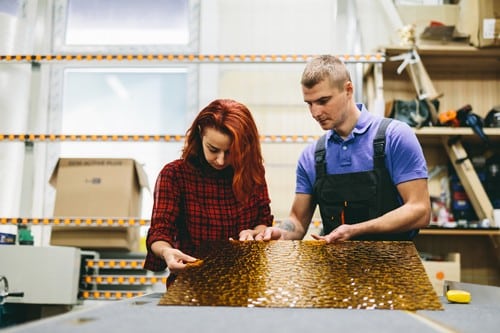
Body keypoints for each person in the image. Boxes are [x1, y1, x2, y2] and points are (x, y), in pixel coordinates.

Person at [257, 55, 431, 243]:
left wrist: (355, 230)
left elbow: (420, 210)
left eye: (323, 101)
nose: (315, 112)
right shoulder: (312, 157)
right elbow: (297, 221)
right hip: (334, 270)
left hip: (393, 268)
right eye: (310, 103)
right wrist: (279, 233)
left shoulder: (394, 137)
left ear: (348, 90)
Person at [144, 99, 273, 285]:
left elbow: (263, 220)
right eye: (213, 149)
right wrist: (166, 252)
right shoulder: (175, 175)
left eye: (230, 152)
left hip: (246, 285)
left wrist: (256, 234)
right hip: (192, 285)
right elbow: (160, 231)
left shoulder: (252, 172)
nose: (220, 160)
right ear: (199, 135)